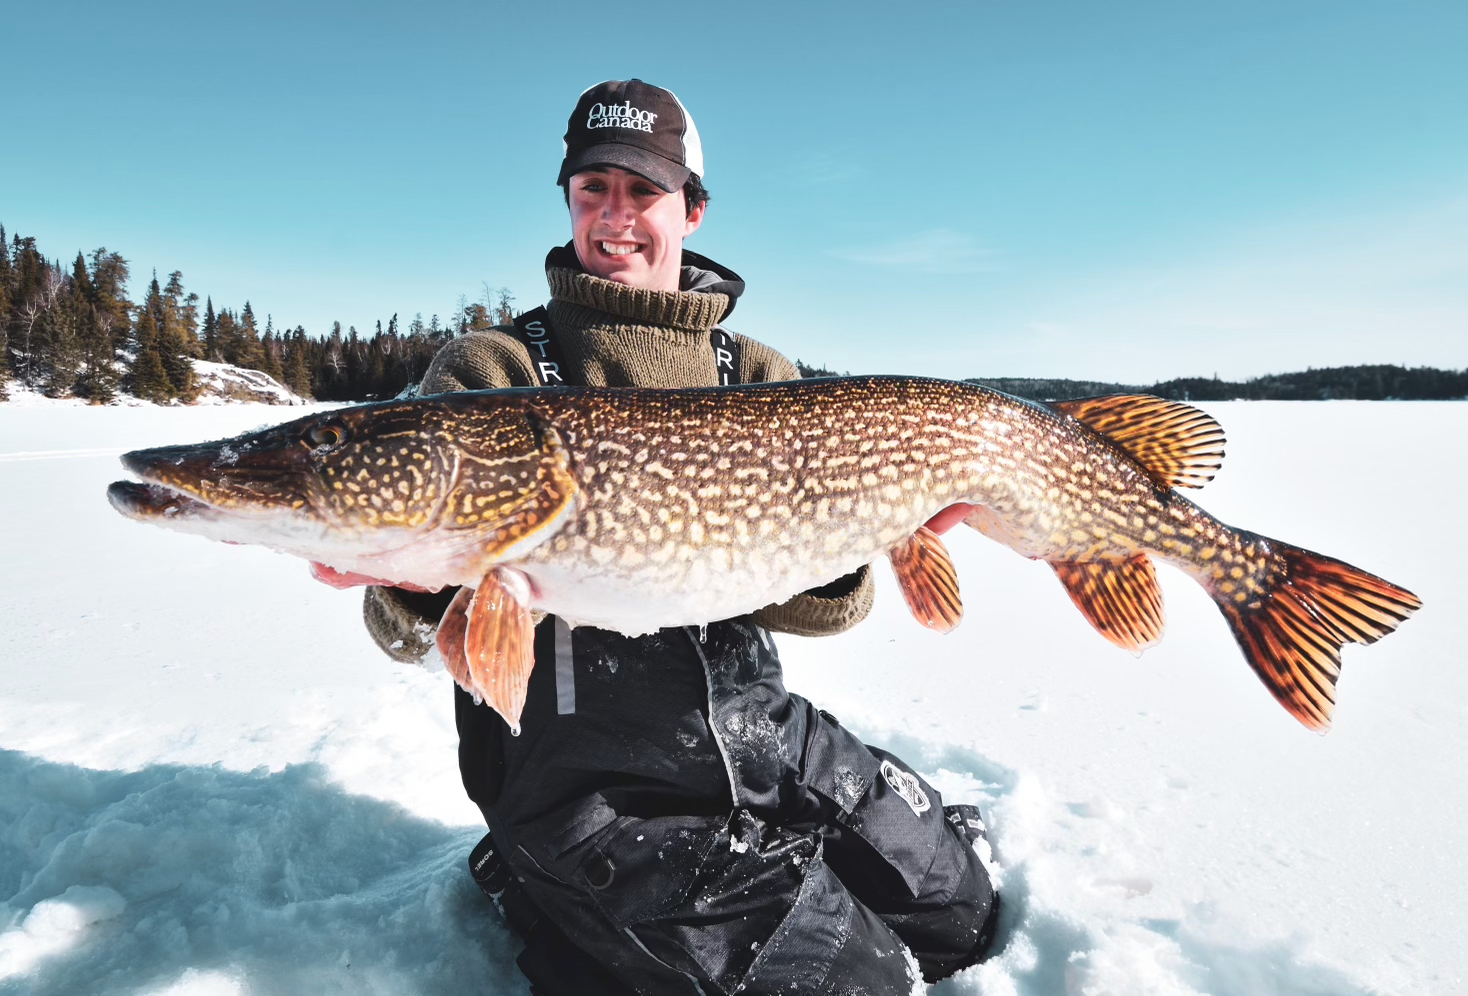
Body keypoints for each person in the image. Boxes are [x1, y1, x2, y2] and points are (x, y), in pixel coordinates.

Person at [363, 79, 998, 995]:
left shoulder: (758, 375)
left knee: (961, 910)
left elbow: (834, 609)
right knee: (854, 981)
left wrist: (871, 524)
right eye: (592, 189)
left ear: (691, 210)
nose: (614, 216)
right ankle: (537, 883)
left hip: (755, 739)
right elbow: (406, 634)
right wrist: (414, 577)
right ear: (569, 202)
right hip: (586, 795)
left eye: (642, 191)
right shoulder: (495, 369)